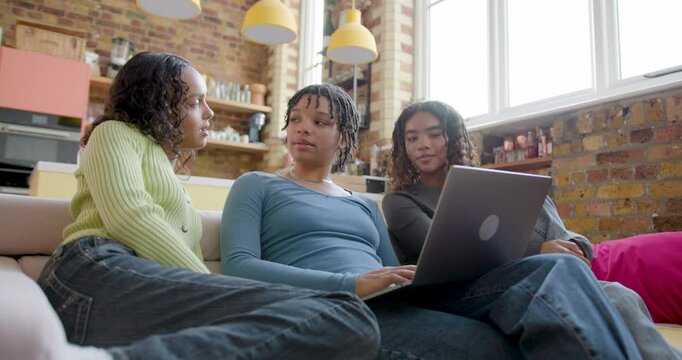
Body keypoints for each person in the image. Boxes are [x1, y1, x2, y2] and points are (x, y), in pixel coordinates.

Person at [221, 84, 643, 359]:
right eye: (295, 119)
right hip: (338, 305)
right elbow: (239, 266)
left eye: (320, 122)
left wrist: (405, 282)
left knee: (557, 267)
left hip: (397, 301)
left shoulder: (365, 205)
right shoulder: (257, 184)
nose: (303, 129)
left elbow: (400, 274)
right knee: (494, 348)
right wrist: (350, 284)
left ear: (344, 138)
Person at [35, 53, 380, 360]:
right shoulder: (114, 132)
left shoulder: (163, 167)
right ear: (157, 103)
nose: (210, 113)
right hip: (92, 271)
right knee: (343, 315)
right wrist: (212, 285)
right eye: (196, 102)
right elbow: (131, 216)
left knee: (345, 320)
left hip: (126, 290)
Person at [382, 100, 682, 360]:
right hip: (457, 290)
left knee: (618, 294)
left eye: (434, 134)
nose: (422, 144)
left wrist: (578, 247)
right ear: (403, 147)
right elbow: (448, 248)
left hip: (526, 273)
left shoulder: (489, 187)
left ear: (453, 137)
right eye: (412, 138)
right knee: (556, 272)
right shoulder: (400, 201)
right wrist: (539, 250)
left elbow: (563, 236)